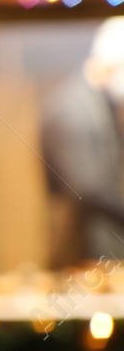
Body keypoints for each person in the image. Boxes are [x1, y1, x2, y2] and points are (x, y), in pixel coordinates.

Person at [40, 17, 124, 266]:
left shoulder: (97, 103)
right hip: (83, 250)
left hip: (100, 245)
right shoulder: (73, 109)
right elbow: (87, 187)